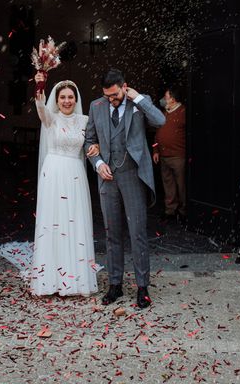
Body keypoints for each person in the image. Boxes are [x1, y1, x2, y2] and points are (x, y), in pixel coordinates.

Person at [84, 69, 165, 308]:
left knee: (137, 232)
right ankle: (115, 284)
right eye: (107, 95)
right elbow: (89, 140)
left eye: (115, 94)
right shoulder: (96, 106)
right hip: (107, 178)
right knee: (112, 233)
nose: (112, 99)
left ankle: (142, 287)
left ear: (124, 86)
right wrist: (97, 163)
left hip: (132, 176)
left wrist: (137, 97)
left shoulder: (139, 103)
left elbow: (160, 120)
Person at [28, 72, 99, 296]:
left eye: (70, 97)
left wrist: (96, 147)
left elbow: (94, 141)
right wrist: (40, 83)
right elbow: (40, 105)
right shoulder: (50, 118)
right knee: (53, 222)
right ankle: (50, 279)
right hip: (53, 173)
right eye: (62, 98)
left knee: (74, 221)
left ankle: (76, 278)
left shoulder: (85, 121)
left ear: (76, 99)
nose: (67, 101)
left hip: (75, 174)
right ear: (57, 101)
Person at [153, 86, 186, 222]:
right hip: (164, 156)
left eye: (165, 97)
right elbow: (157, 135)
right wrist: (155, 150)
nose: (163, 100)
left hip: (178, 156)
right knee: (168, 185)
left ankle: (184, 212)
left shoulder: (183, 112)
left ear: (172, 99)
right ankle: (170, 211)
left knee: (182, 185)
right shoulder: (163, 113)